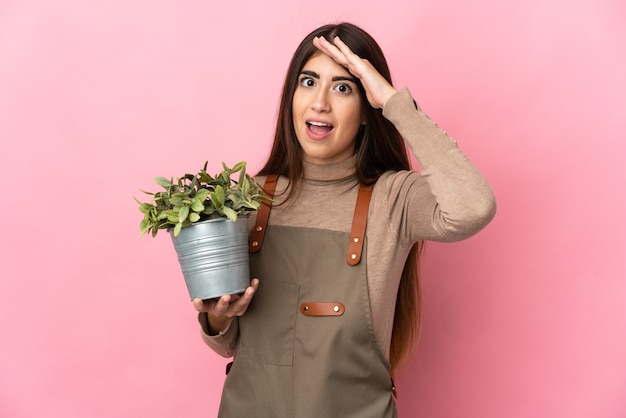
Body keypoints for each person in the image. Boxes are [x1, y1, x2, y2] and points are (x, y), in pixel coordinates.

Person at [193, 22, 496, 417]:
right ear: (291, 97)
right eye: (308, 82)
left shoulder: (395, 198)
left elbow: (474, 207)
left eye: (342, 88)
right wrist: (216, 315)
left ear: (368, 110)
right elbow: (229, 343)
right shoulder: (248, 198)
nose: (320, 103)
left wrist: (394, 103)